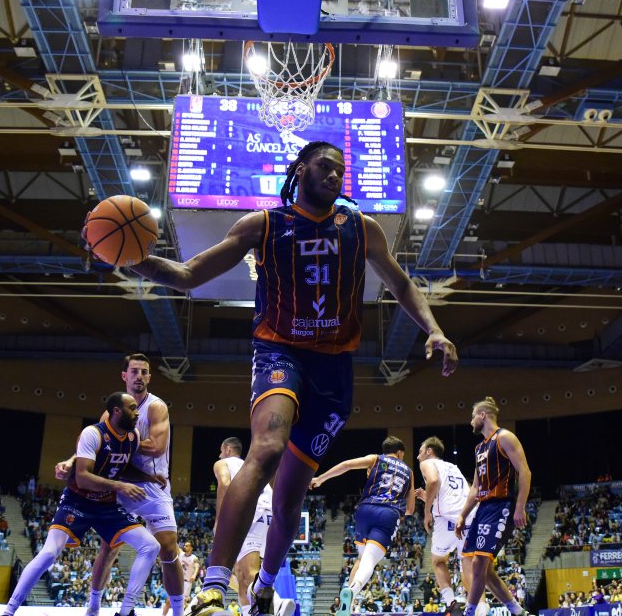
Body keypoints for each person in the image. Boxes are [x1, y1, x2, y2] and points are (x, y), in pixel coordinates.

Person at [127, 140, 459, 616]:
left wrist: (435, 329)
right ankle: (213, 588)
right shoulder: (263, 225)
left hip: (334, 371)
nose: (335, 176)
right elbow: (186, 275)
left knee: (288, 500)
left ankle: (264, 586)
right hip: (280, 351)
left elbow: (401, 283)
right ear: (300, 169)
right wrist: (126, 258)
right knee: (265, 449)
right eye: (326, 167)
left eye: (340, 171)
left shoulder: (361, 229)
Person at [3, 393, 161, 616]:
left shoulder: (133, 436)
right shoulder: (93, 433)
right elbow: (83, 478)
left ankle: (125, 612)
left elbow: (122, 466)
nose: (137, 414)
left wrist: (149, 477)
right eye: (132, 409)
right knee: (49, 553)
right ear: (117, 411)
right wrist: (120, 486)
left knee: (151, 546)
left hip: (106, 505)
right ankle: (9, 611)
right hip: (78, 501)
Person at [59, 354, 186, 616]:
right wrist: (71, 460)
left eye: (144, 372)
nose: (139, 376)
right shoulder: (112, 409)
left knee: (168, 548)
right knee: (109, 546)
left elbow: (157, 447)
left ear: (150, 377)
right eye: (134, 371)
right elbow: (94, 443)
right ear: (124, 376)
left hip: (152, 486)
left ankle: (178, 611)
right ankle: (93, 605)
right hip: (119, 483)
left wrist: (122, 437)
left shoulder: (156, 407)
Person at [310, 436, 416, 616]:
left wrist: (321, 478)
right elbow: (410, 509)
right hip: (388, 514)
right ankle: (352, 590)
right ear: (399, 453)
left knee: (361, 558)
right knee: (370, 561)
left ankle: (348, 606)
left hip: (365, 510)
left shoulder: (376, 459)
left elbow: (347, 465)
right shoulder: (409, 471)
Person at [454, 397, 531, 616]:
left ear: (483, 415)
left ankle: (469, 612)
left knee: (479, 563)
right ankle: (517, 611)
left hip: (501, 506)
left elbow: (525, 471)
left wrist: (519, 507)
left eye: (472, 417)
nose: (470, 422)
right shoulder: (479, 448)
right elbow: (475, 488)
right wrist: (462, 515)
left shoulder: (505, 437)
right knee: (483, 569)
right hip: (483, 510)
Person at [213, 438, 277, 613]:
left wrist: (220, 520)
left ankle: (278, 604)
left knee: (249, 572)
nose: (219, 454)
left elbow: (224, 484)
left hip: (253, 512)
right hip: (265, 512)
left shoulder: (223, 463)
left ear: (226, 449)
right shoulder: (249, 464)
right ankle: (250, 611)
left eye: (220, 450)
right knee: (241, 574)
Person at [415, 436, 470, 613]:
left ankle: (451, 603)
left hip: (448, 517)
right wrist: (427, 497)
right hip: (469, 514)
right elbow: (449, 493)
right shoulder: (453, 467)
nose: (418, 456)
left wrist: (426, 511)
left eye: (420, 451)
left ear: (429, 451)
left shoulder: (427, 464)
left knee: (438, 561)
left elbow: (432, 481)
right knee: (467, 565)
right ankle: (477, 607)